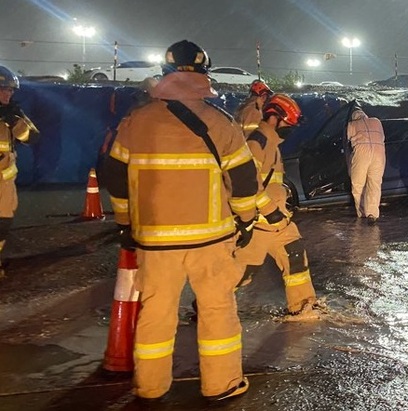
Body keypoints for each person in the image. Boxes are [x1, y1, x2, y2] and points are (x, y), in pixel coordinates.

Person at [104, 40, 261, 402]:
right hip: (211, 241)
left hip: (155, 242)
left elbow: (115, 177)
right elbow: (243, 181)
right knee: (217, 311)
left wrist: (126, 225)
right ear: (205, 76)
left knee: (155, 314)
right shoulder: (220, 123)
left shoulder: (136, 122)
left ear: (165, 74)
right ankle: (222, 384)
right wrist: (247, 221)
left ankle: (150, 387)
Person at [235, 93, 321, 318]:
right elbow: (246, 183)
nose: (289, 129)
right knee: (242, 272)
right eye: (288, 124)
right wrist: (269, 210)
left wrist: (278, 211)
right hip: (260, 222)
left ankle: (302, 306)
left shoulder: (272, 141)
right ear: (273, 118)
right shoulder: (258, 141)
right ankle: (207, 305)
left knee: (294, 254)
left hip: (278, 220)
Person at [0, 66, 39, 279]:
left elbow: (33, 137)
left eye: (11, 90)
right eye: (4, 89)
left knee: (3, 225)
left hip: (5, 183)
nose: (9, 94)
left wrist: (14, 121)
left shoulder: (13, 113)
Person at [345, 103, 386, 224]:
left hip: (362, 154)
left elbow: (345, 139)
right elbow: (382, 137)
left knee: (358, 184)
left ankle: (362, 213)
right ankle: (372, 213)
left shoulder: (351, 125)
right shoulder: (377, 122)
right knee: (374, 184)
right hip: (379, 154)